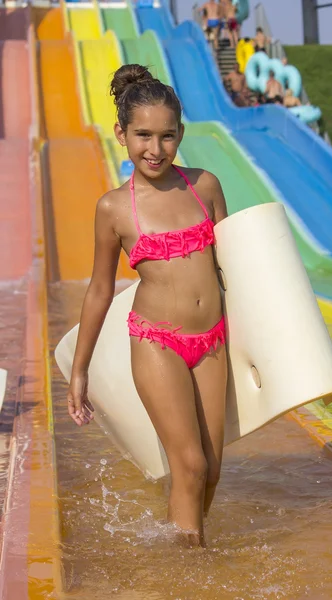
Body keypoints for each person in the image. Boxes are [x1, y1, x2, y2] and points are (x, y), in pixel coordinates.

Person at [66, 64, 229, 548]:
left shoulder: (204, 187)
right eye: (142, 135)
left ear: (181, 134)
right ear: (121, 133)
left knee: (212, 470)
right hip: (158, 341)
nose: (154, 149)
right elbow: (99, 289)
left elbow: (239, 263)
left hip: (213, 340)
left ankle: (177, 544)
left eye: (166, 136)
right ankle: (191, 570)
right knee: (191, 463)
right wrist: (80, 370)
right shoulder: (114, 208)